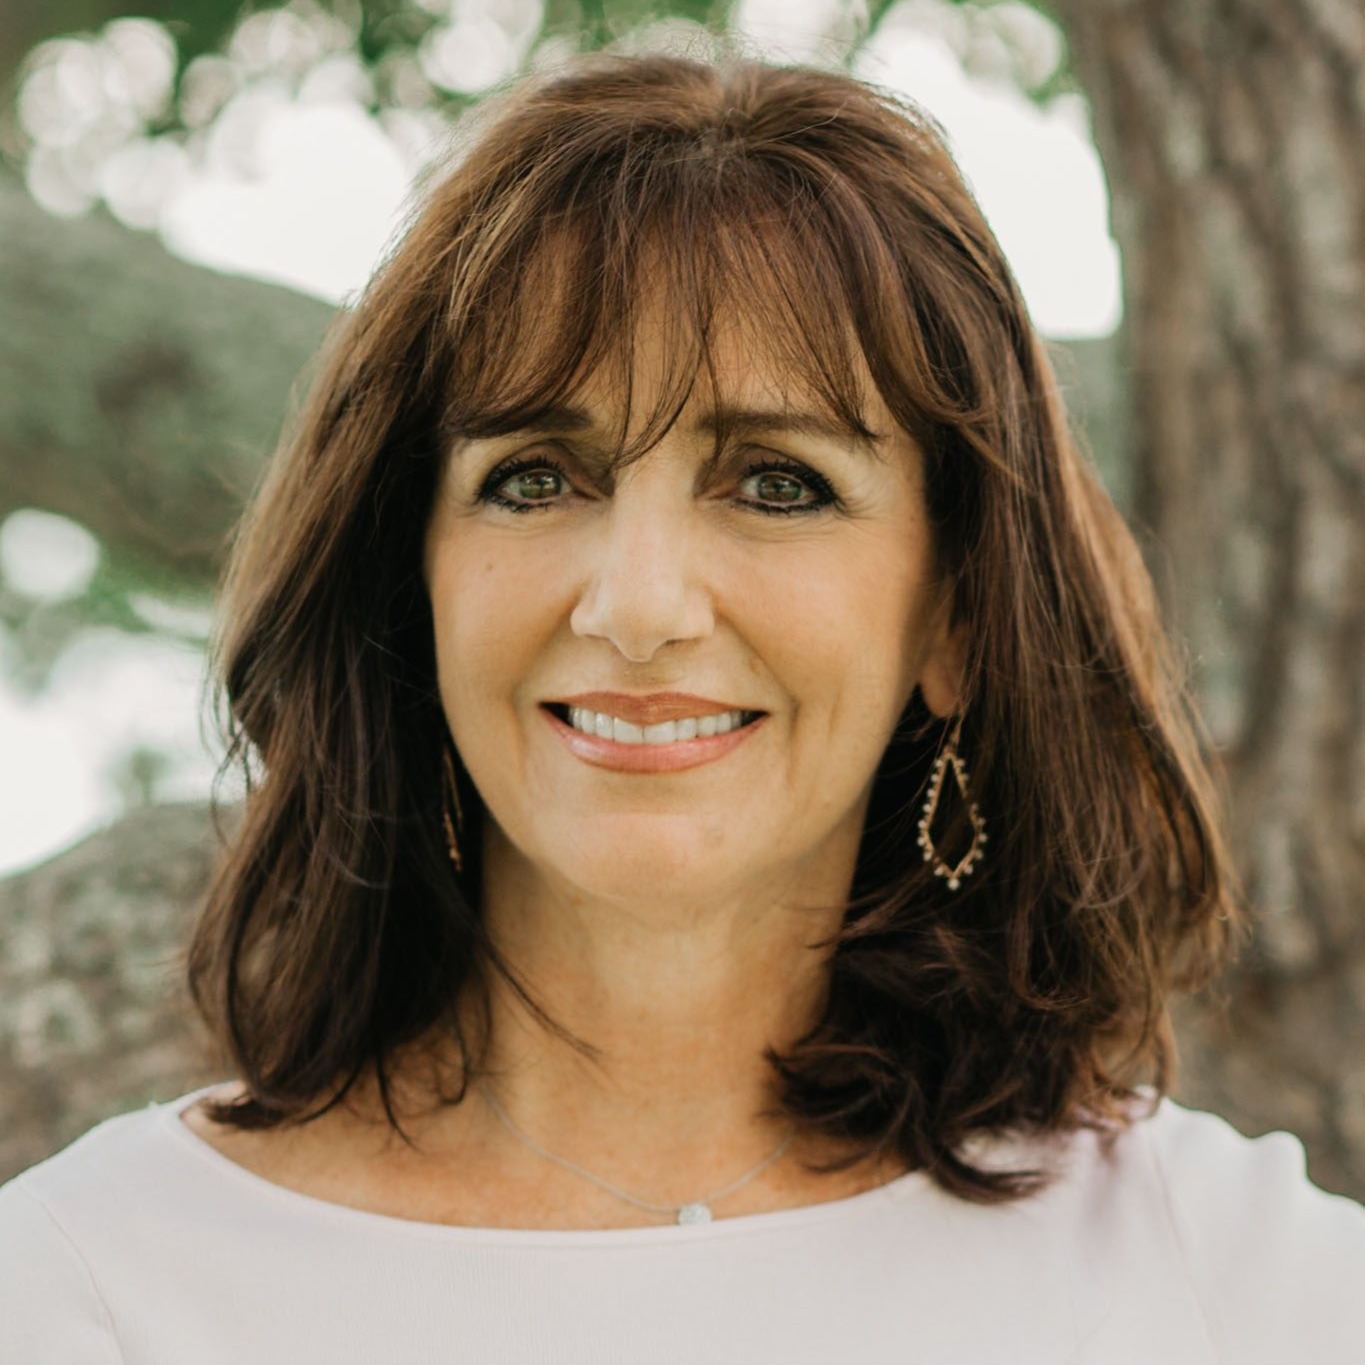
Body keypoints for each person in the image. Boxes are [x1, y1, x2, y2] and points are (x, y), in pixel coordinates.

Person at [2, 45, 1363, 1365]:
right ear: (408, 583)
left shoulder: (1227, 1281)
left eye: (777, 481)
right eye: (537, 475)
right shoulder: (92, 1288)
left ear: (953, 617)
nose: (638, 604)